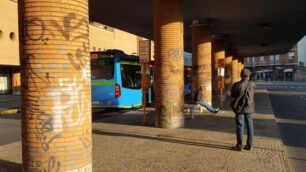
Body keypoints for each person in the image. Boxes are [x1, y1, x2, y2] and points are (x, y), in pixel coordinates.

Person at [231, 69, 256, 151]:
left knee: (240, 126)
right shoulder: (252, 84)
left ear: (241, 75)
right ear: (248, 76)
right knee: (250, 126)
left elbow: (233, 95)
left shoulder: (236, 85)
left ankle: (239, 146)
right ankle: (250, 145)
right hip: (249, 107)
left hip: (239, 108)